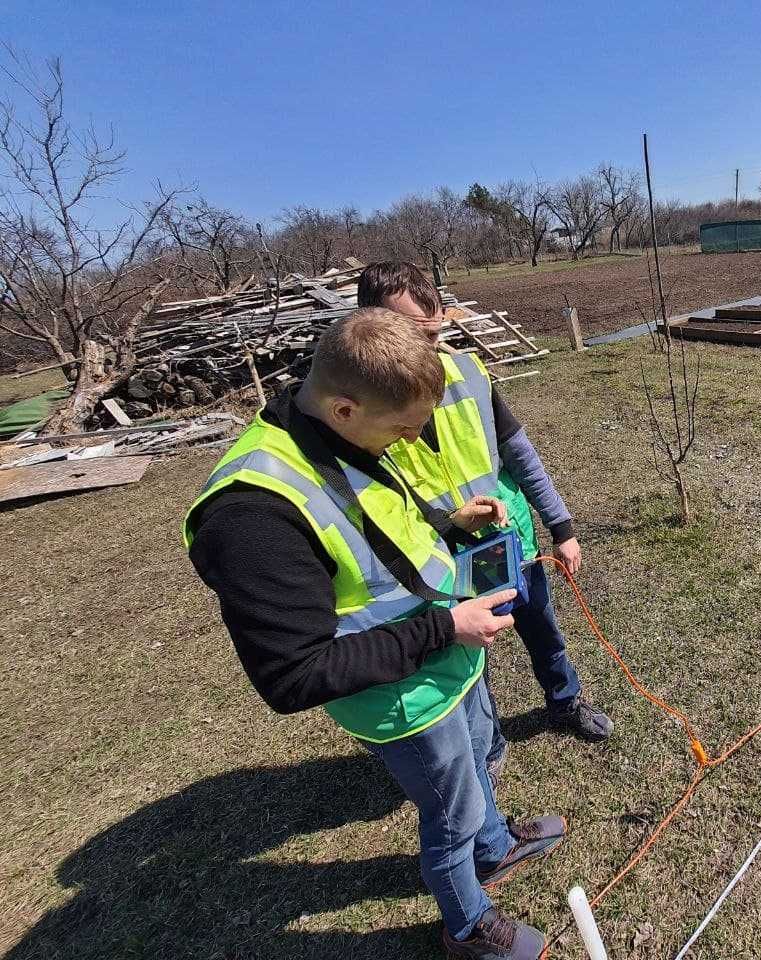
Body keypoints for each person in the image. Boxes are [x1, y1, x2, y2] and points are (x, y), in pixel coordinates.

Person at [186, 308, 561, 959]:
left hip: (450, 662)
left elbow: (375, 532)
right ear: (346, 408)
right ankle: (468, 925)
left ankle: (497, 847)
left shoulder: (335, 436)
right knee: (451, 814)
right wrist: (444, 628)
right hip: (402, 700)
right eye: (403, 428)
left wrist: (449, 523)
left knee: (479, 773)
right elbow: (291, 675)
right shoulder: (248, 515)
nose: (415, 441)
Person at [357, 262, 613, 783]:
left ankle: (564, 702)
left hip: (511, 541)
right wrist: (449, 524)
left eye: (433, 332)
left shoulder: (469, 373)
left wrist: (561, 527)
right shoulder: (358, 411)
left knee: (543, 627)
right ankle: (489, 748)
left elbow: (521, 455)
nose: (427, 349)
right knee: (470, 661)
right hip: (443, 563)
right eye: (411, 335)